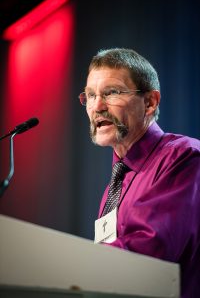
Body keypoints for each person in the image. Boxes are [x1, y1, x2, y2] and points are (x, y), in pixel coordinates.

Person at [78, 48, 200, 298]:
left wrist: (71, 266)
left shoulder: (184, 156)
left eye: (111, 92)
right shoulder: (117, 181)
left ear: (150, 102)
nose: (97, 106)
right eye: (90, 95)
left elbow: (152, 250)